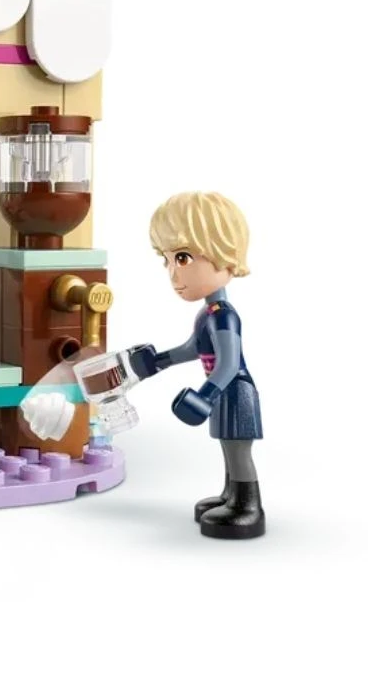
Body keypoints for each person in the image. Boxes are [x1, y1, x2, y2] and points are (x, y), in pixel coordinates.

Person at [125, 192, 265, 539]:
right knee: (227, 445)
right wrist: (158, 362)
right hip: (222, 391)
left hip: (234, 391)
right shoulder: (209, 313)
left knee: (237, 448)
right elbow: (193, 348)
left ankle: (248, 506)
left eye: (183, 258)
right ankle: (231, 495)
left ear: (223, 253)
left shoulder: (224, 316)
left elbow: (228, 363)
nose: (173, 273)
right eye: (167, 260)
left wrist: (205, 396)